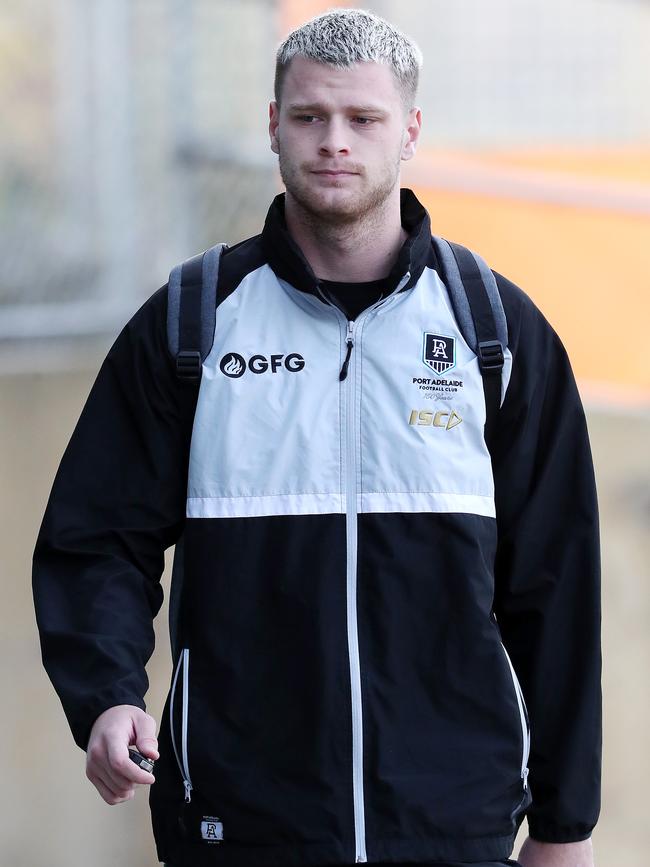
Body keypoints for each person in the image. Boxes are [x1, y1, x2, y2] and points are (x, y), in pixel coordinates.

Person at [32, 9, 601, 867]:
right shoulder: (191, 324)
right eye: (309, 116)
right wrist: (107, 695)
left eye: (363, 119)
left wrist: (565, 825)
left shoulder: (498, 331)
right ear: (273, 126)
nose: (335, 141)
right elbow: (96, 537)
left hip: (455, 822)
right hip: (241, 817)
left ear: (408, 130)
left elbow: (558, 588)